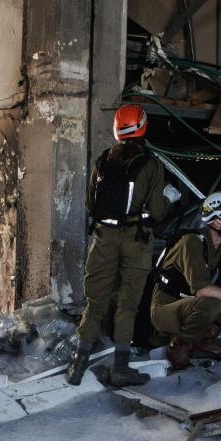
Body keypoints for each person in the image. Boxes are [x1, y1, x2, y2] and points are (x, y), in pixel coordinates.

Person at [66, 104, 169, 387]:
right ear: (143, 127)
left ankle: (77, 367)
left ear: (117, 129)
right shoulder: (151, 164)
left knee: (95, 303)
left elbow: (90, 204)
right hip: (135, 241)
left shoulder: (102, 161)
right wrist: (168, 201)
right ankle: (121, 369)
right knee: (127, 305)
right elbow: (158, 212)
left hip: (103, 239)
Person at [150, 192, 221, 370]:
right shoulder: (191, 242)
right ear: (217, 222)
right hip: (167, 308)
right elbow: (202, 290)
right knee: (212, 304)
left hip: (195, 304)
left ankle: (204, 340)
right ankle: (179, 346)